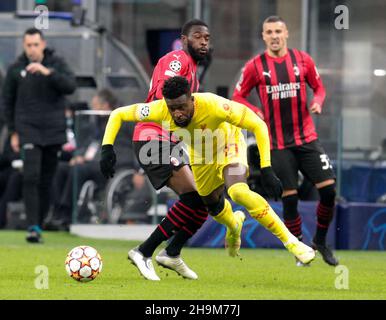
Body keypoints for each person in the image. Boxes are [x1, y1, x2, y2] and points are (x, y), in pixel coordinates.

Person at [100, 76, 316, 281]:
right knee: (210, 206)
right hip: (200, 158)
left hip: (228, 145)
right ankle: (233, 226)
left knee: (238, 192)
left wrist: (267, 168)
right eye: (172, 108)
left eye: (182, 106)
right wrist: (107, 147)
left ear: (192, 99)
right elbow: (118, 114)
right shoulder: (160, 110)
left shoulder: (214, 105)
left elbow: (258, 125)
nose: (177, 113)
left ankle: (293, 244)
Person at [105, 19, 212, 281]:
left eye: (207, 38)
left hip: (169, 140)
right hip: (152, 137)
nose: (203, 41)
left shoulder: (193, 69)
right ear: (184, 40)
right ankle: (144, 251)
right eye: (198, 37)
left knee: (203, 201)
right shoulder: (178, 58)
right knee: (194, 198)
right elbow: (167, 90)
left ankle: (172, 253)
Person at [232, 16, 338, 266]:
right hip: (277, 143)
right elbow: (238, 96)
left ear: (286, 33)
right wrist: (254, 110)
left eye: (278, 31)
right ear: (263, 36)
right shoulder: (254, 66)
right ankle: (299, 245)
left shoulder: (303, 60)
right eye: (269, 32)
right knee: (289, 198)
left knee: (329, 191)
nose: (274, 35)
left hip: (307, 138)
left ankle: (320, 241)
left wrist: (318, 102)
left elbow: (319, 88)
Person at [2, 28, 76, 242]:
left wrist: (48, 72)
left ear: (42, 44)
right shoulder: (16, 69)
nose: (32, 49)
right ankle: (32, 226)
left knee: (46, 179)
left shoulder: (56, 64)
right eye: (28, 45)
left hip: (53, 130)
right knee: (31, 176)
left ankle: (40, 223)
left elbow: (70, 86)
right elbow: (7, 102)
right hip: (28, 129)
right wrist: (14, 132)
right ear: (24, 46)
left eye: (35, 45)